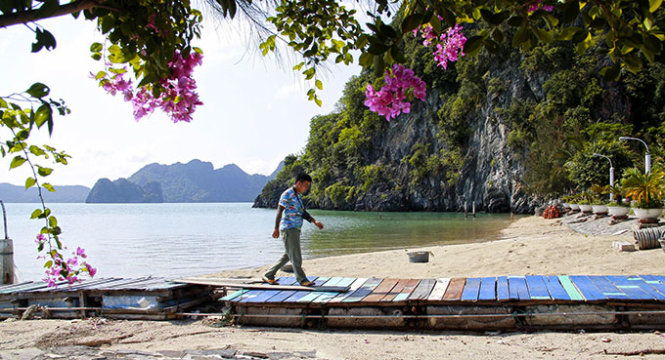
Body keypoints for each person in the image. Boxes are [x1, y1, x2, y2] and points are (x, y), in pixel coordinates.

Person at [263, 173, 324, 286]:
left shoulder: (298, 196)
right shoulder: (287, 194)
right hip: (288, 228)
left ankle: (268, 274)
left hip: (295, 228)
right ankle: (302, 279)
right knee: (296, 255)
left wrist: (315, 222)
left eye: (308, 186)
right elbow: (279, 211)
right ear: (299, 183)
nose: (306, 188)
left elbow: (302, 213)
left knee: (288, 254)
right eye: (305, 185)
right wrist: (276, 228)